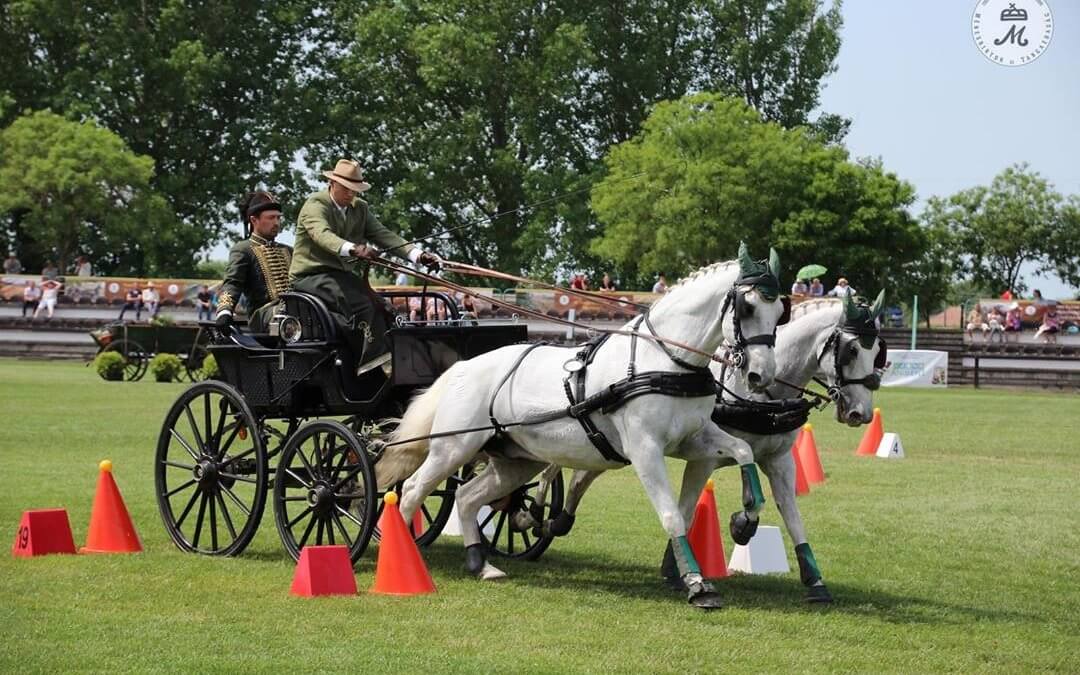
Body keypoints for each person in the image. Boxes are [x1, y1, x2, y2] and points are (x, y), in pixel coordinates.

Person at [289, 159, 441, 375]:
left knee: (383, 307)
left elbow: (383, 235)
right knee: (363, 307)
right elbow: (322, 236)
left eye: (355, 190)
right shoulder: (315, 205)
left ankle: (400, 360)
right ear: (332, 182)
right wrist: (354, 249)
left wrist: (418, 255)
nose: (351, 194)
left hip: (340, 276)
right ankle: (376, 367)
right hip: (310, 277)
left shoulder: (360, 208)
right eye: (347, 188)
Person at [215, 191, 293, 333]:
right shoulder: (244, 249)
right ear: (254, 220)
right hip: (263, 316)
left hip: (293, 309)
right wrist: (224, 311)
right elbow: (232, 283)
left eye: (278, 218)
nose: (276, 222)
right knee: (290, 312)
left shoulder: (288, 250)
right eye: (270, 218)